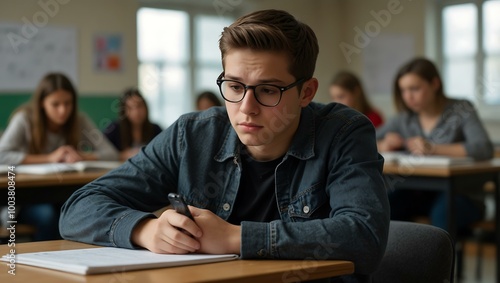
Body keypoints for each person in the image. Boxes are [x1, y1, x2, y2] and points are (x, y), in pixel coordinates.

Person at [60, 10, 389, 282]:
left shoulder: (345, 132)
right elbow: (78, 208)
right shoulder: (192, 134)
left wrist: (235, 238)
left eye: (268, 90)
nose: (246, 107)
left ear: (306, 92)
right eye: (234, 86)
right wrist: (145, 230)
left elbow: (363, 235)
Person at [376, 57, 494, 231]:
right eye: (403, 90)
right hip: (420, 193)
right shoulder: (405, 118)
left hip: (461, 195)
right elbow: (364, 139)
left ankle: (439, 258)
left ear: (435, 84)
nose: (408, 96)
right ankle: (396, 258)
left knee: (442, 214)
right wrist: (383, 144)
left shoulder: (462, 109)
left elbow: (483, 148)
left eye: (415, 88)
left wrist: (434, 148)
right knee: (385, 205)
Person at [0, 72, 119, 241]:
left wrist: (81, 156)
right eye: (55, 104)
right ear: (42, 103)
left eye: (67, 103)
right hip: (24, 199)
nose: (63, 110)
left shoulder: (79, 120)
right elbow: (2, 155)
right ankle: (43, 262)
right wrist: (50, 158)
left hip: (64, 194)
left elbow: (111, 153)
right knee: (49, 217)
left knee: (82, 212)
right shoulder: (24, 119)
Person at [103, 88, 162, 161]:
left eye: (139, 106)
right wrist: (121, 155)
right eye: (130, 108)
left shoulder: (156, 129)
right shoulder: (114, 128)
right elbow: (102, 152)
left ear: (145, 107)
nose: (136, 112)